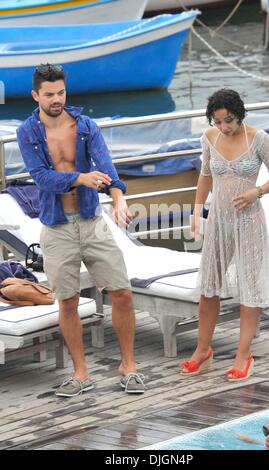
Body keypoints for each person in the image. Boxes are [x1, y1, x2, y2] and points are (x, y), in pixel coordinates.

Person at [17, 63, 145, 397]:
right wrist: (80, 178)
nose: (56, 99)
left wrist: (118, 200)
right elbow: (42, 177)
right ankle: (81, 373)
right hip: (56, 228)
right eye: (49, 94)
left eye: (60, 92)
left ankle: (128, 366)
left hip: (92, 221)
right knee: (68, 302)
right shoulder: (27, 132)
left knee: (122, 292)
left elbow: (109, 172)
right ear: (36, 96)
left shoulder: (86, 127)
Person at [180, 88, 269, 381]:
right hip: (218, 220)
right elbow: (205, 175)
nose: (224, 127)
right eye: (217, 121)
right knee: (208, 287)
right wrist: (197, 211)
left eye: (228, 120)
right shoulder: (209, 138)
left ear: (239, 115)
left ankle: (243, 355)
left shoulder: (258, 138)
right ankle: (203, 350)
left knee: (249, 288)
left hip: (249, 219)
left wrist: (257, 191)